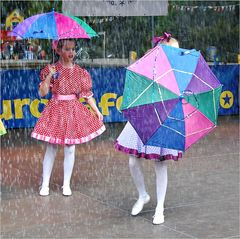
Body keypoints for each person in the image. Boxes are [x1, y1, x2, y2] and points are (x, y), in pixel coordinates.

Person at [114, 32, 181, 225]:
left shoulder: (177, 75)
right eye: (169, 52)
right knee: (133, 162)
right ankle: (142, 195)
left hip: (164, 119)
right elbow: (137, 88)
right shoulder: (148, 67)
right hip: (144, 116)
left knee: (160, 164)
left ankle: (160, 208)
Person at [32, 38, 105, 196]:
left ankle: (66, 184)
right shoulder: (51, 69)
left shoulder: (80, 72)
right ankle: (45, 184)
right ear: (58, 51)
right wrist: (49, 76)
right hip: (56, 109)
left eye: (73, 49)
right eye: (67, 49)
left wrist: (96, 110)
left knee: (70, 148)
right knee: (51, 146)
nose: (71, 52)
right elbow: (42, 93)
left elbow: (87, 95)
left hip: (73, 110)